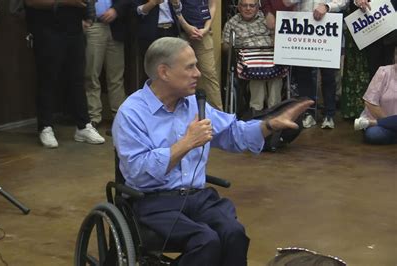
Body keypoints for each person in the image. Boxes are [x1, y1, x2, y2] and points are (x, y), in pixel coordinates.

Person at [112, 37, 313, 266]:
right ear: (164, 72)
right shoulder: (131, 114)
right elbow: (138, 172)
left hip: (197, 197)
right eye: (190, 67)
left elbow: (233, 134)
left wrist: (269, 125)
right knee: (205, 241)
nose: (198, 73)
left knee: (233, 233)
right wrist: (186, 143)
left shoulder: (194, 104)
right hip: (153, 201)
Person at [25, 0, 105, 148]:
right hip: (47, 28)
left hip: (74, 28)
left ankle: (83, 126)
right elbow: (31, 2)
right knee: (48, 78)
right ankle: (45, 126)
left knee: (77, 79)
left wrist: (88, 14)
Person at [282, 0, 342, 129]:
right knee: (303, 75)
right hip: (303, 28)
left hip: (327, 28)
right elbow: (287, 2)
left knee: (328, 75)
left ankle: (329, 115)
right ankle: (308, 113)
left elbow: (344, 2)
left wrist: (327, 6)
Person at [222, 0, 283, 112]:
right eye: (244, 5)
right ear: (239, 7)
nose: (248, 8)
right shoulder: (232, 23)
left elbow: (278, 34)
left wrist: (275, 38)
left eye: (252, 5)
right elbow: (225, 46)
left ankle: (275, 110)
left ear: (257, 7)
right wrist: (235, 49)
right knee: (256, 73)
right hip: (249, 60)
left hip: (270, 56)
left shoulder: (266, 18)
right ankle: (256, 110)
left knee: (276, 74)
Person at [83, 0, 130, 131]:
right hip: (93, 24)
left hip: (116, 25)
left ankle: (119, 117)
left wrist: (116, 9)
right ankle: (93, 117)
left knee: (116, 77)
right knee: (91, 74)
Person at [176, 0, 223, 110]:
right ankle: (184, 113)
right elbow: (174, 7)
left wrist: (206, 29)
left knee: (209, 74)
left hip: (203, 33)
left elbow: (212, 5)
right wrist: (186, 27)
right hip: (181, 33)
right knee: (183, 74)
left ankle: (218, 114)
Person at [134, 0, 182, 83]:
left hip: (171, 30)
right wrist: (153, 3)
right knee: (152, 68)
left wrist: (176, 3)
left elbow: (178, 10)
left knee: (173, 65)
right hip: (152, 32)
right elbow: (137, 11)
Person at [354, 61, 397, 145]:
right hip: (383, 124)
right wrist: (389, 123)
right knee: (373, 134)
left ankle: (371, 123)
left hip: (385, 125)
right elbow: (370, 102)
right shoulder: (384, 71)